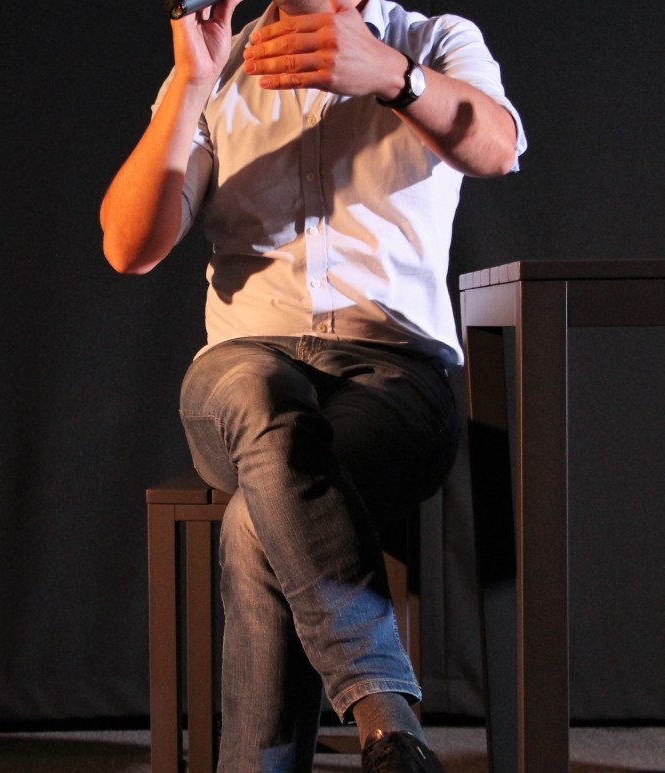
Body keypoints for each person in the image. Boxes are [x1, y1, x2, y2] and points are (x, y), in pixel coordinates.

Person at [101, 0, 525, 769]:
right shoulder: (219, 69)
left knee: (260, 517)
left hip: (396, 374)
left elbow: (496, 146)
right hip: (241, 368)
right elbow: (129, 246)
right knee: (265, 403)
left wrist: (391, 76)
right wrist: (192, 81)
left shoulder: (432, 40)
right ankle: (385, 712)